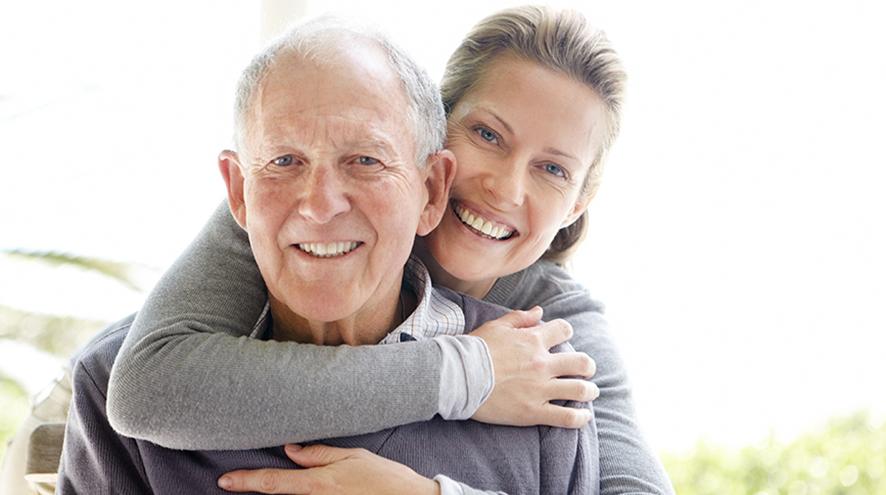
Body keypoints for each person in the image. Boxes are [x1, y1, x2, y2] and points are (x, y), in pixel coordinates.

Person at [107, 5, 673, 494]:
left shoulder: (557, 331)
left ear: (577, 202)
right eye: (488, 135)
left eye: (552, 168)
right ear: (433, 130)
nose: (506, 187)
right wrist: (465, 374)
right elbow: (145, 388)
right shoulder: (304, 208)